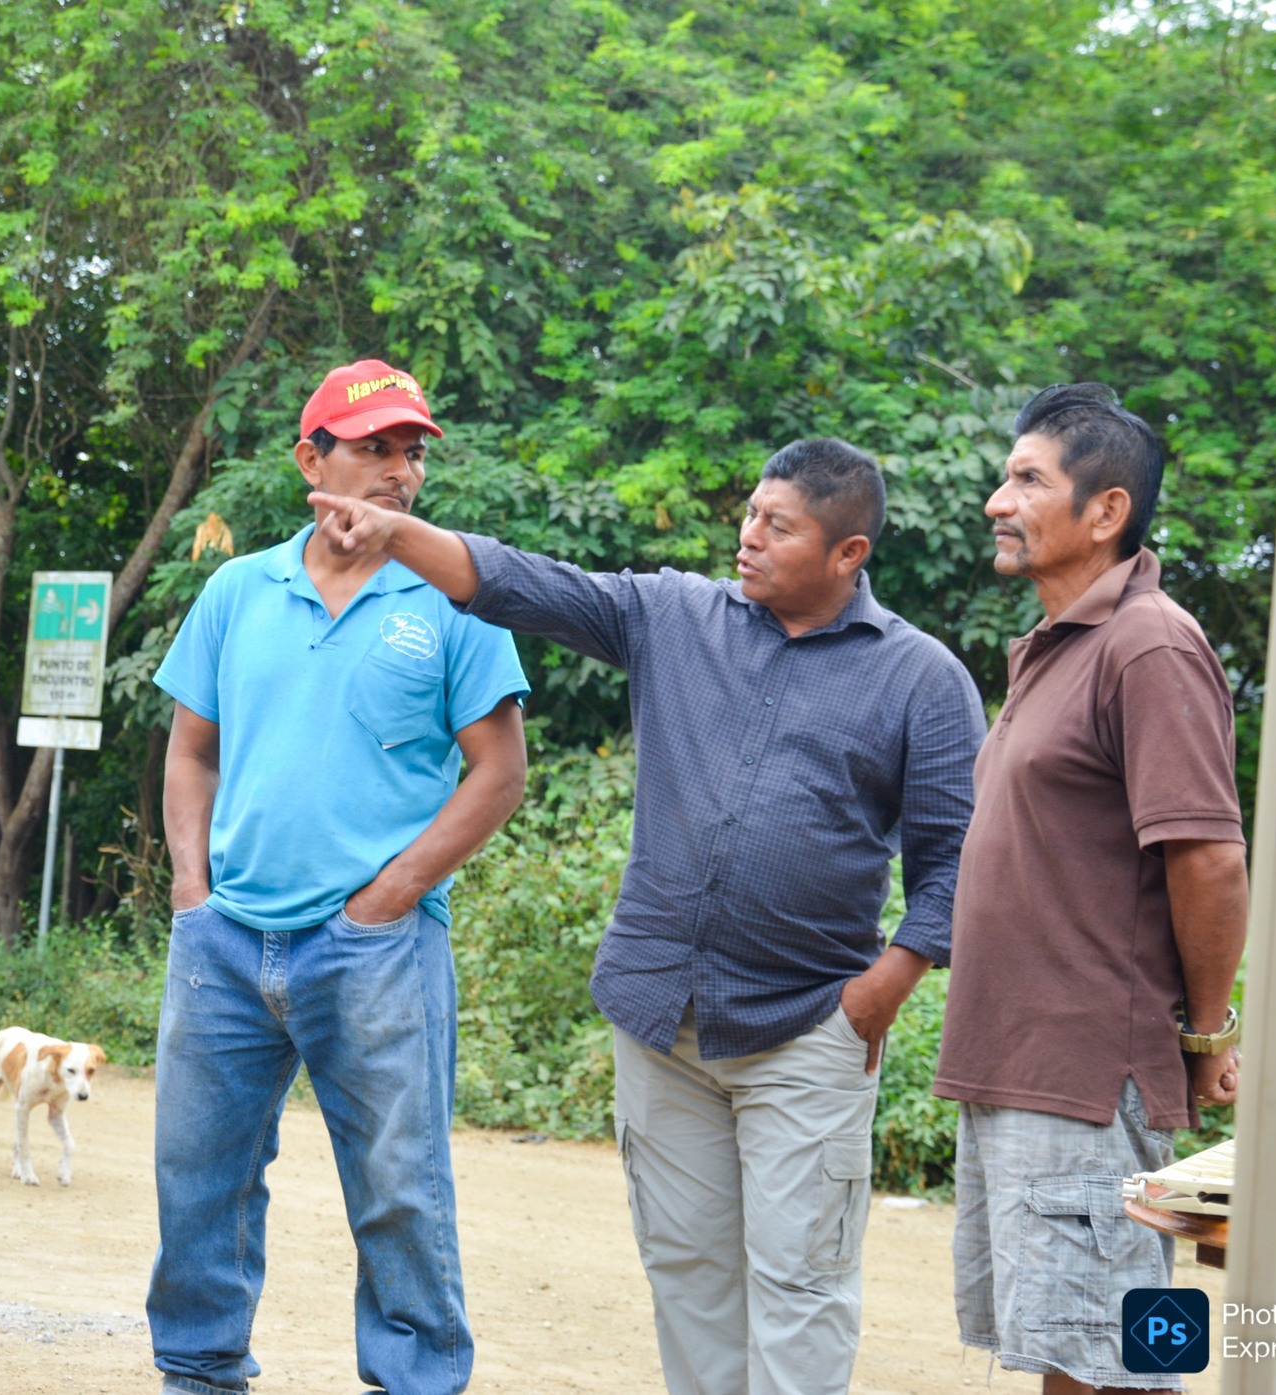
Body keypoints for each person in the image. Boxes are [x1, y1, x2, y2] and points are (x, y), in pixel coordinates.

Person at [311, 437, 986, 1395]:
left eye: (778, 526)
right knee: (689, 1275)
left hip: (807, 1027)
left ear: (849, 553)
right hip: (660, 1020)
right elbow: (523, 582)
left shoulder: (920, 677)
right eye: (750, 513)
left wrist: (885, 987)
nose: (747, 537)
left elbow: (957, 856)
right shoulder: (676, 616)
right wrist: (394, 532)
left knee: (801, 1283)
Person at [145, 360, 530, 1395]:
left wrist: (386, 899)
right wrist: (191, 893)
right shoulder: (238, 590)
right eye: (375, 448)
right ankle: (199, 1375)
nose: (401, 471)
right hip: (225, 942)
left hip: (375, 949)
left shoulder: (453, 596)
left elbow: (499, 773)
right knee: (198, 1181)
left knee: (400, 1188)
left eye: (412, 452)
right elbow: (191, 752)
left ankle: (415, 1380)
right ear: (311, 461)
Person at [934, 384, 1246, 1395]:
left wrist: (1206, 1034)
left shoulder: (1147, 644)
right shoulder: (1056, 647)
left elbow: (1208, 857)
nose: (998, 501)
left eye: (1028, 480)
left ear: (1106, 510)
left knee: (1111, 1361)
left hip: (1085, 1075)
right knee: (1067, 1353)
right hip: (1016, 1065)